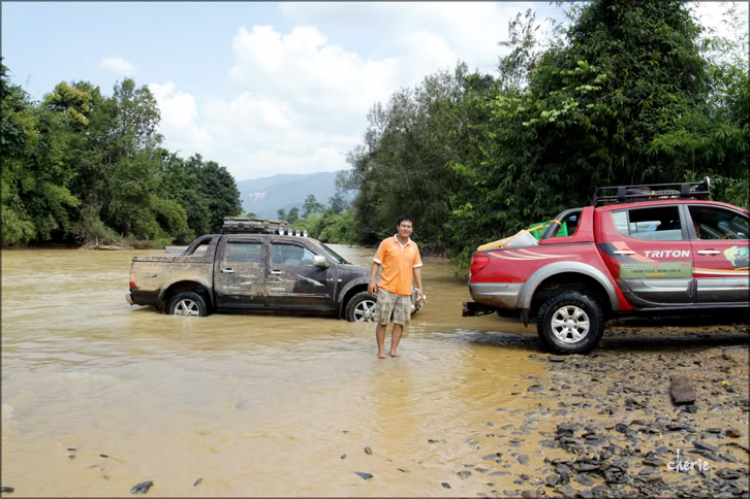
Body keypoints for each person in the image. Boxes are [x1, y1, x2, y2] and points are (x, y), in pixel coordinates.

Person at [367, 215, 425, 359]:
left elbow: (416, 268)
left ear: (412, 229)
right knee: (383, 321)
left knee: (400, 323)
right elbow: (376, 263)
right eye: (403, 226)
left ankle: (393, 351)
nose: (406, 229)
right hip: (386, 288)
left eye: (409, 227)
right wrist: (371, 282)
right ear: (398, 227)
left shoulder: (414, 247)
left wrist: (420, 289)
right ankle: (381, 351)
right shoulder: (386, 243)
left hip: (406, 291)